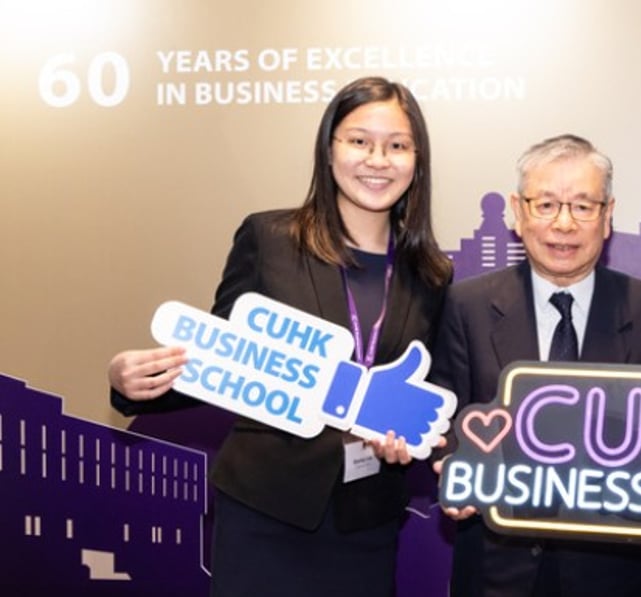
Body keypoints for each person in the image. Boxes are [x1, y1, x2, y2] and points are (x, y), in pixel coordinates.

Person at [107, 76, 452, 596]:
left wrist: (413, 441)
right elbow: (219, 362)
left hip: (366, 520)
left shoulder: (431, 273)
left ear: (417, 160)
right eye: (359, 141)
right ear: (330, 147)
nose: (378, 160)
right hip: (263, 512)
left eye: (397, 146)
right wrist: (131, 382)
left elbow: (435, 391)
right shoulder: (269, 240)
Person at [431, 134, 641, 596]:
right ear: (516, 212)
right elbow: (445, 421)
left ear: (607, 217)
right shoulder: (466, 305)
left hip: (614, 574)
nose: (564, 224)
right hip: (495, 573)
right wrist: (453, 463)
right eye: (546, 205)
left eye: (583, 206)